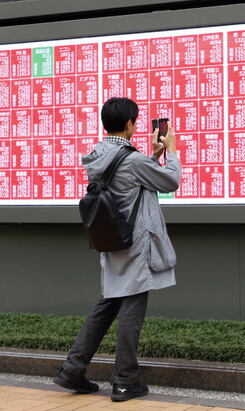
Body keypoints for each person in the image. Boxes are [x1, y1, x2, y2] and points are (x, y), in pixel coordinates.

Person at [53, 97, 181, 402]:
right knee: (131, 309)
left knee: (107, 304)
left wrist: (152, 156)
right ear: (129, 124)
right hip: (135, 244)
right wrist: (171, 152)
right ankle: (125, 381)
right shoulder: (132, 159)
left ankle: (72, 370)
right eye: (135, 122)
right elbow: (170, 181)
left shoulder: (98, 154)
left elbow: (129, 179)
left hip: (111, 240)